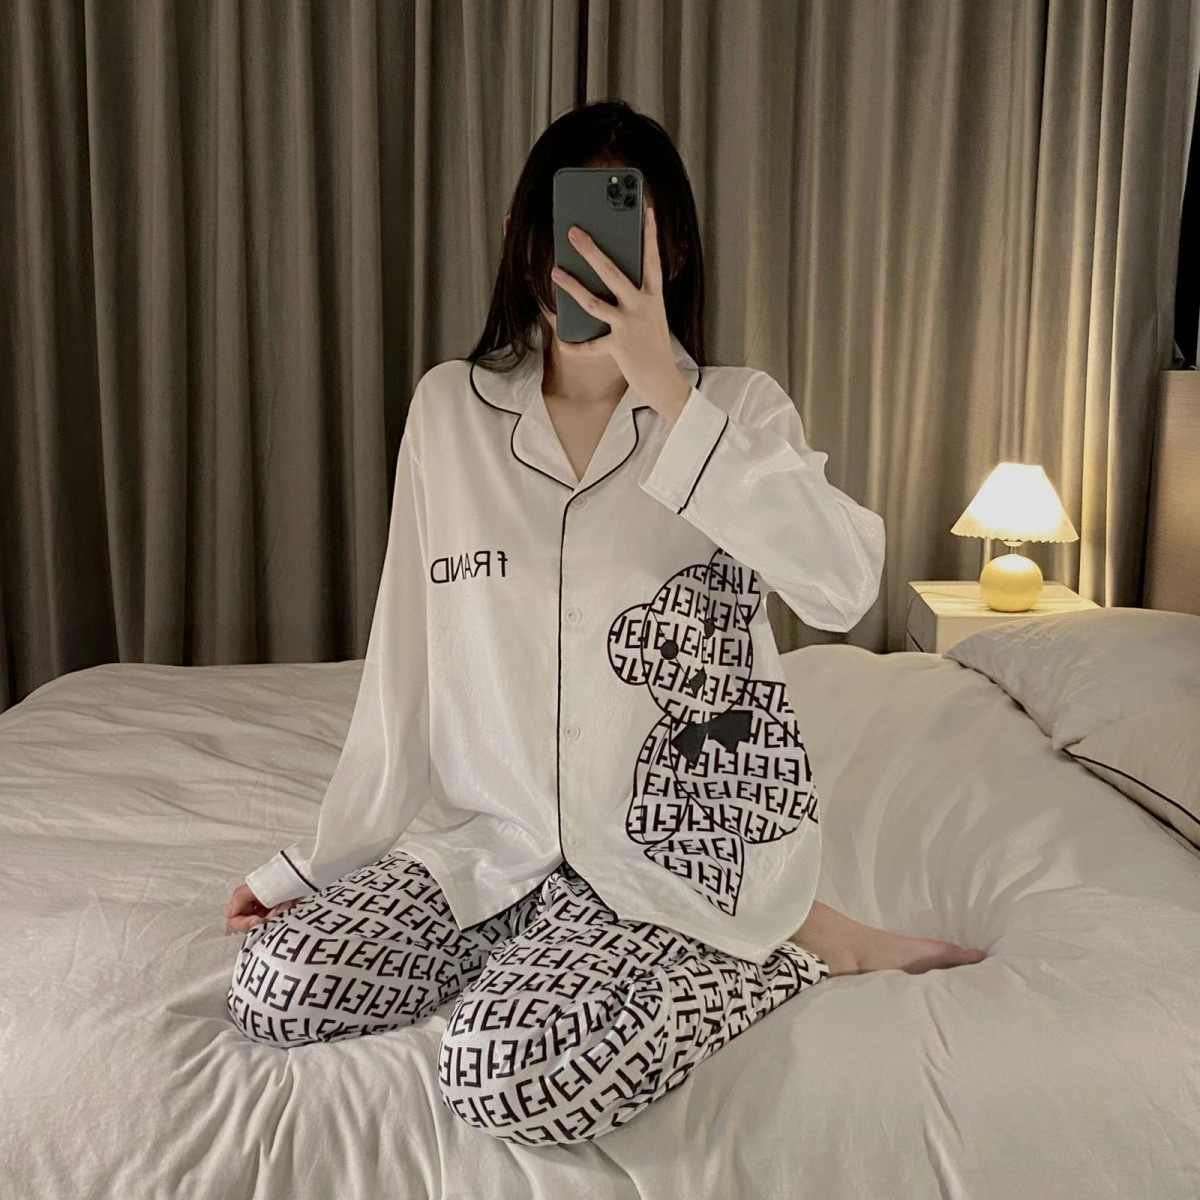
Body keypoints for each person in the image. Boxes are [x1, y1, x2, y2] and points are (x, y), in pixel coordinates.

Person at [224, 100, 986, 1146]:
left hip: (664, 855)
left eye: (623, 231)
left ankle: (801, 947)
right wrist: (317, 862)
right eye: (566, 226)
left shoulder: (739, 411)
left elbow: (842, 587)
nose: (589, 258)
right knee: (278, 985)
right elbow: (405, 661)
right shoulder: (449, 411)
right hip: (494, 845)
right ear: (520, 239)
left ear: (670, 252)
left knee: (505, 1073)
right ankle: (539, 946)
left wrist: (668, 390)